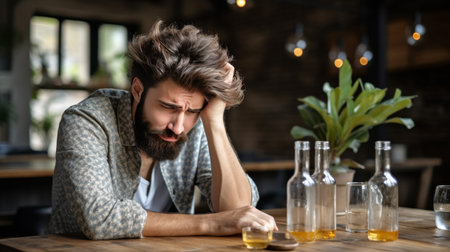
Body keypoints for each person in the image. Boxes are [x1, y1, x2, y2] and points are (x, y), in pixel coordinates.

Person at [48, 21, 277, 240]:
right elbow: (99, 217)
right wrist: (212, 223)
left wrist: (214, 120)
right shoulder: (87, 121)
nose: (177, 127)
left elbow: (238, 210)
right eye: (168, 107)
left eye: (191, 111)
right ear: (138, 90)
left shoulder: (195, 126)